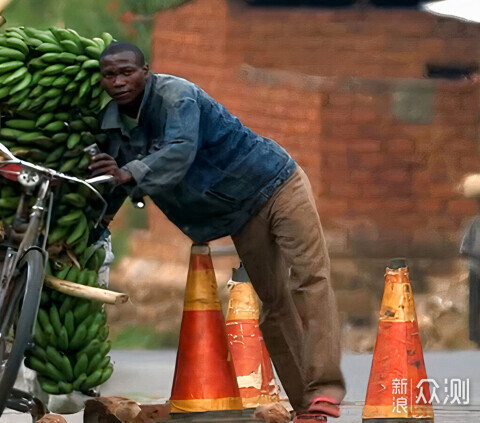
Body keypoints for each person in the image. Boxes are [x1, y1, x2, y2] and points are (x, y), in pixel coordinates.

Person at [89, 42, 346, 423]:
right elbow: (112, 183)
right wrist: (96, 226)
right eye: (110, 75)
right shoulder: (112, 127)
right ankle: (307, 408)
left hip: (277, 184)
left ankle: (324, 389)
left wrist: (130, 172)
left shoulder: (177, 96)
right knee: (273, 304)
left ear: (146, 71)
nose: (120, 81)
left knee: (310, 280)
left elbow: (179, 149)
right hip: (239, 214)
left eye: (127, 71)